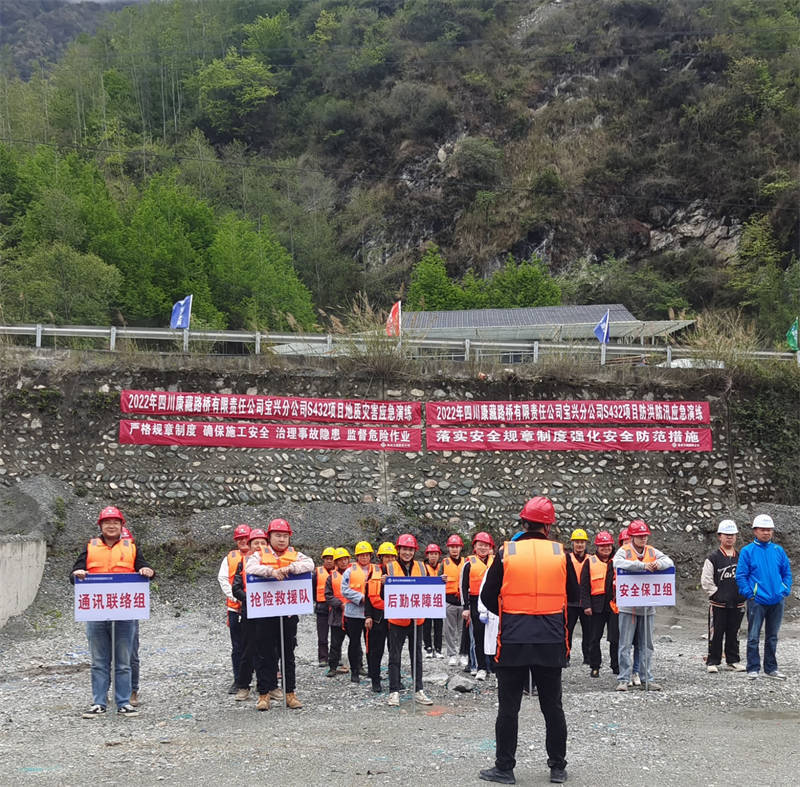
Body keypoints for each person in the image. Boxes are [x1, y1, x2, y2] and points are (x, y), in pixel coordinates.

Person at [479, 496, 569, 785]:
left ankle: (504, 769)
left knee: (508, 708)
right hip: (550, 640)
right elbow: (573, 594)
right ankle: (558, 768)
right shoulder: (560, 553)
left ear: (524, 523)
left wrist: (510, 614)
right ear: (548, 526)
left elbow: (487, 595)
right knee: (552, 707)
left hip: (514, 640)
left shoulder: (507, 552)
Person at [71, 506, 154, 719]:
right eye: (107, 522)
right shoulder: (90, 547)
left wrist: (147, 571)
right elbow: (74, 573)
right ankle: (99, 703)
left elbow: (145, 568)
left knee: (123, 661)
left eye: (115, 522)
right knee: (99, 661)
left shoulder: (131, 547)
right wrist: (77, 573)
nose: (111, 525)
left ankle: (123, 702)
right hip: (97, 613)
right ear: (100, 525)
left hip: (125, 613)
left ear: (121, 525)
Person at [245, 518, 313, 710]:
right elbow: (250, 568)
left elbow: (310, 564)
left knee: (288, 654)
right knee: (264, 654)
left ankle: (290, 693)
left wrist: (290, 568)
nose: (282, 539)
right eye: (277, 536)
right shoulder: (258, 555)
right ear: (270, 537)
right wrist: (271, 572)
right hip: (266, 612)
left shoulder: (296, 555)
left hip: (288, 613)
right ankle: (264, 695)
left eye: (285, 536)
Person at [613, 519, 674, 692]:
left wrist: (658, 564)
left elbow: (669, 561)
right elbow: (617, 563)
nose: (643, 538)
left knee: (646, 645)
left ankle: (647, 678)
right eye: (639, 536)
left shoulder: (652, 551)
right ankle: (624, 679)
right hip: (628, 606)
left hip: (647, 605)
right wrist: (642, 566)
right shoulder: (624, 551)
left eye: (645, 535)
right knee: (625, 644)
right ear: (632, 537)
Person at [736, 514, 793, 680]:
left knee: (772, 637)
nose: (766, 532)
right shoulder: (747, 551)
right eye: (762, 529)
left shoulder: (778, 550)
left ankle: (771, 668)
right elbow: (741, 576)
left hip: (777, 600)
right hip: (757, 601)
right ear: (755, 531)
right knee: (753, 636)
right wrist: (750, 594)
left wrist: (784, 590)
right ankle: (753, 668)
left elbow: (786, 573)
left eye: (769, 530)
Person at [383, 534, 433, 706]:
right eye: (404, 549)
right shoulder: (389, 567)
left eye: (410, 550)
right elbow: (383, 595)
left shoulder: (422, 567)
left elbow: (430, 588)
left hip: (416, 621)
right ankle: (394, 691)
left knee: (416, 656)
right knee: (394, 657)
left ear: (414, 551)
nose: (407, 553)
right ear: (398, 550)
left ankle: (418, 690)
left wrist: (441, 582)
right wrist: (383, 584)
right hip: (397, 621)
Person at [700, 519, 746, 673]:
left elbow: (748, 576)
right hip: (718, 604)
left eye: (732, 534)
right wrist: (716, 594)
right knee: (716, 633)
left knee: (734, 632)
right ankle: (713, 661)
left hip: (737, 603)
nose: (729, 537)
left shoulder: (741, 557)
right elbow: (706, 580)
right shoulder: (713, 557)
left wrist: (744, 593)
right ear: (720, 536)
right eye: (726, 534)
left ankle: (733, 660)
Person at [231, 528, 268, 703]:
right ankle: (243, 686)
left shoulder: (273, 562)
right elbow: (236, 588)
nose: (259, 546)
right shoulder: (243, 563)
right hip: (250, 611)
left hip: (269, 612)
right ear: (250, 545)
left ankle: (268, 686)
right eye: (256, 543)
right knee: (247, 650)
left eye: (263, 543)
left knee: (269, 650)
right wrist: (251, 599)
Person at [217, 524, 252, 693]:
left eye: (246, 538)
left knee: (258, 644)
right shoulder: (229, 558)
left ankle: (262, 680)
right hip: (235, 609)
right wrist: (234, 597)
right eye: (239, 539)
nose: (243, 541)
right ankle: (239, 680)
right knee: (237, 646)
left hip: (256, 608)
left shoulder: (259, 556)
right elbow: (223, 579)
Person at [580, 531, 618, 678]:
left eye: (608, 545)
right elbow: (584, 586)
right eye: (602, 545)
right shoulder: (590, 562)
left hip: (614, 606)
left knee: (615, 638)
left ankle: (616, 666)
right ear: (597, 547)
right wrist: (586, 605)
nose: (606, 548)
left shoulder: (617, 561)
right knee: (594, 638)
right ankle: (595, 666)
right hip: (596, 606)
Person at [462, 532, 495, 680]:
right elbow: (463, 586)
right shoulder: (469, 564)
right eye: (480, 545)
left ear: (490, 547)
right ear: (475, 546)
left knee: (494, 634)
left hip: (492, 602)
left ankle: (493, 666)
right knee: (478, 635)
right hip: (475, 601)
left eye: (486, 545)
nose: (483, 548)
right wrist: (465, 607)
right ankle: (481, 667)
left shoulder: (496, 562)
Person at [365, 541, 396, 693]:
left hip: (395, 618)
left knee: (394, 651)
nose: (389, 560)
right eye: (386, 557)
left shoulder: (399, 572)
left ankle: (395, 680)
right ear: (381, 558)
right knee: (376, 651)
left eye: (392, 557)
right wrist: (368, 616)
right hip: (378, 618)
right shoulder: (373, 572)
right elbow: (367, 595)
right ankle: (375, 680)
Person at [341, 541, 374, 683]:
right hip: (354, 613)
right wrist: (361, 598)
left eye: (367, 555)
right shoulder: (349, 571)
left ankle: (372, 670)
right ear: (357, 556)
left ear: (370, 556)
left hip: (371, 614)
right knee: (354, 643)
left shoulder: (376, 570)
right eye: (361, 555)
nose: (364, 557)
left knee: (371, 643)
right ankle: (355, 671)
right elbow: (344, 590)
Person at [438, 534, 466, 665]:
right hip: (449, 601)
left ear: (461, 548)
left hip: (463, 602)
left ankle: (463, 654)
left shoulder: (466, 562)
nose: (454, 549)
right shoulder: (444, 563)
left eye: (457, 546)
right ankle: (451, 655)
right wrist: (440, 579)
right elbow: (437, 581)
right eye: (452, 547)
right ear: (448, 548)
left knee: (463, 630)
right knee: (449, 630)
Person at [325, 548, 352, 677]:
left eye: (345, 559)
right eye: (340, 560)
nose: (343, 562)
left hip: (352, 614)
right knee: (335, 644)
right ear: (336, 562)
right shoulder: (331, 578)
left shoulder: (354, 575)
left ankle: (358, 666)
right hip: (337, 615)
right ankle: (332, 667)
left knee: (355, 643)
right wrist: (340, 604)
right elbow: (328, 596)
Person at [566, 528, 591, 666]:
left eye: (582, 542)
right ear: (572, 543)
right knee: (567, 631)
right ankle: (566, 656)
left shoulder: (591, 559)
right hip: (570, 602)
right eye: (577, 542)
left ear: (586, 543)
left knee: (588, 632)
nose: (580, 545)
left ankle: (588, 657)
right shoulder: (566, 558)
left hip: (586, 602)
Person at [312, 547, 335, 666]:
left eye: (331, 558)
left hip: (335, 608)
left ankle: (335, 657)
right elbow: (312, 588)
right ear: (323, 560)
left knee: (336, 636)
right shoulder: (317, 572)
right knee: (322, 635)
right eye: (327, 558)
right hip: (322, 607)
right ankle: (323, 658)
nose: (329, 561)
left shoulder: (340, 572)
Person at [422, 543, 444, 659]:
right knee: (426, 625)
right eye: (431, 554)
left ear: (439, 555)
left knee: (438, 625)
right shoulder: (423, 567)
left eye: (435, 554)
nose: (433, 556)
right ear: (427, 555)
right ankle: (428, 647)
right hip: (426, 599)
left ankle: (438, 648)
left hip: (438, 599)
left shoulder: (442, 566)